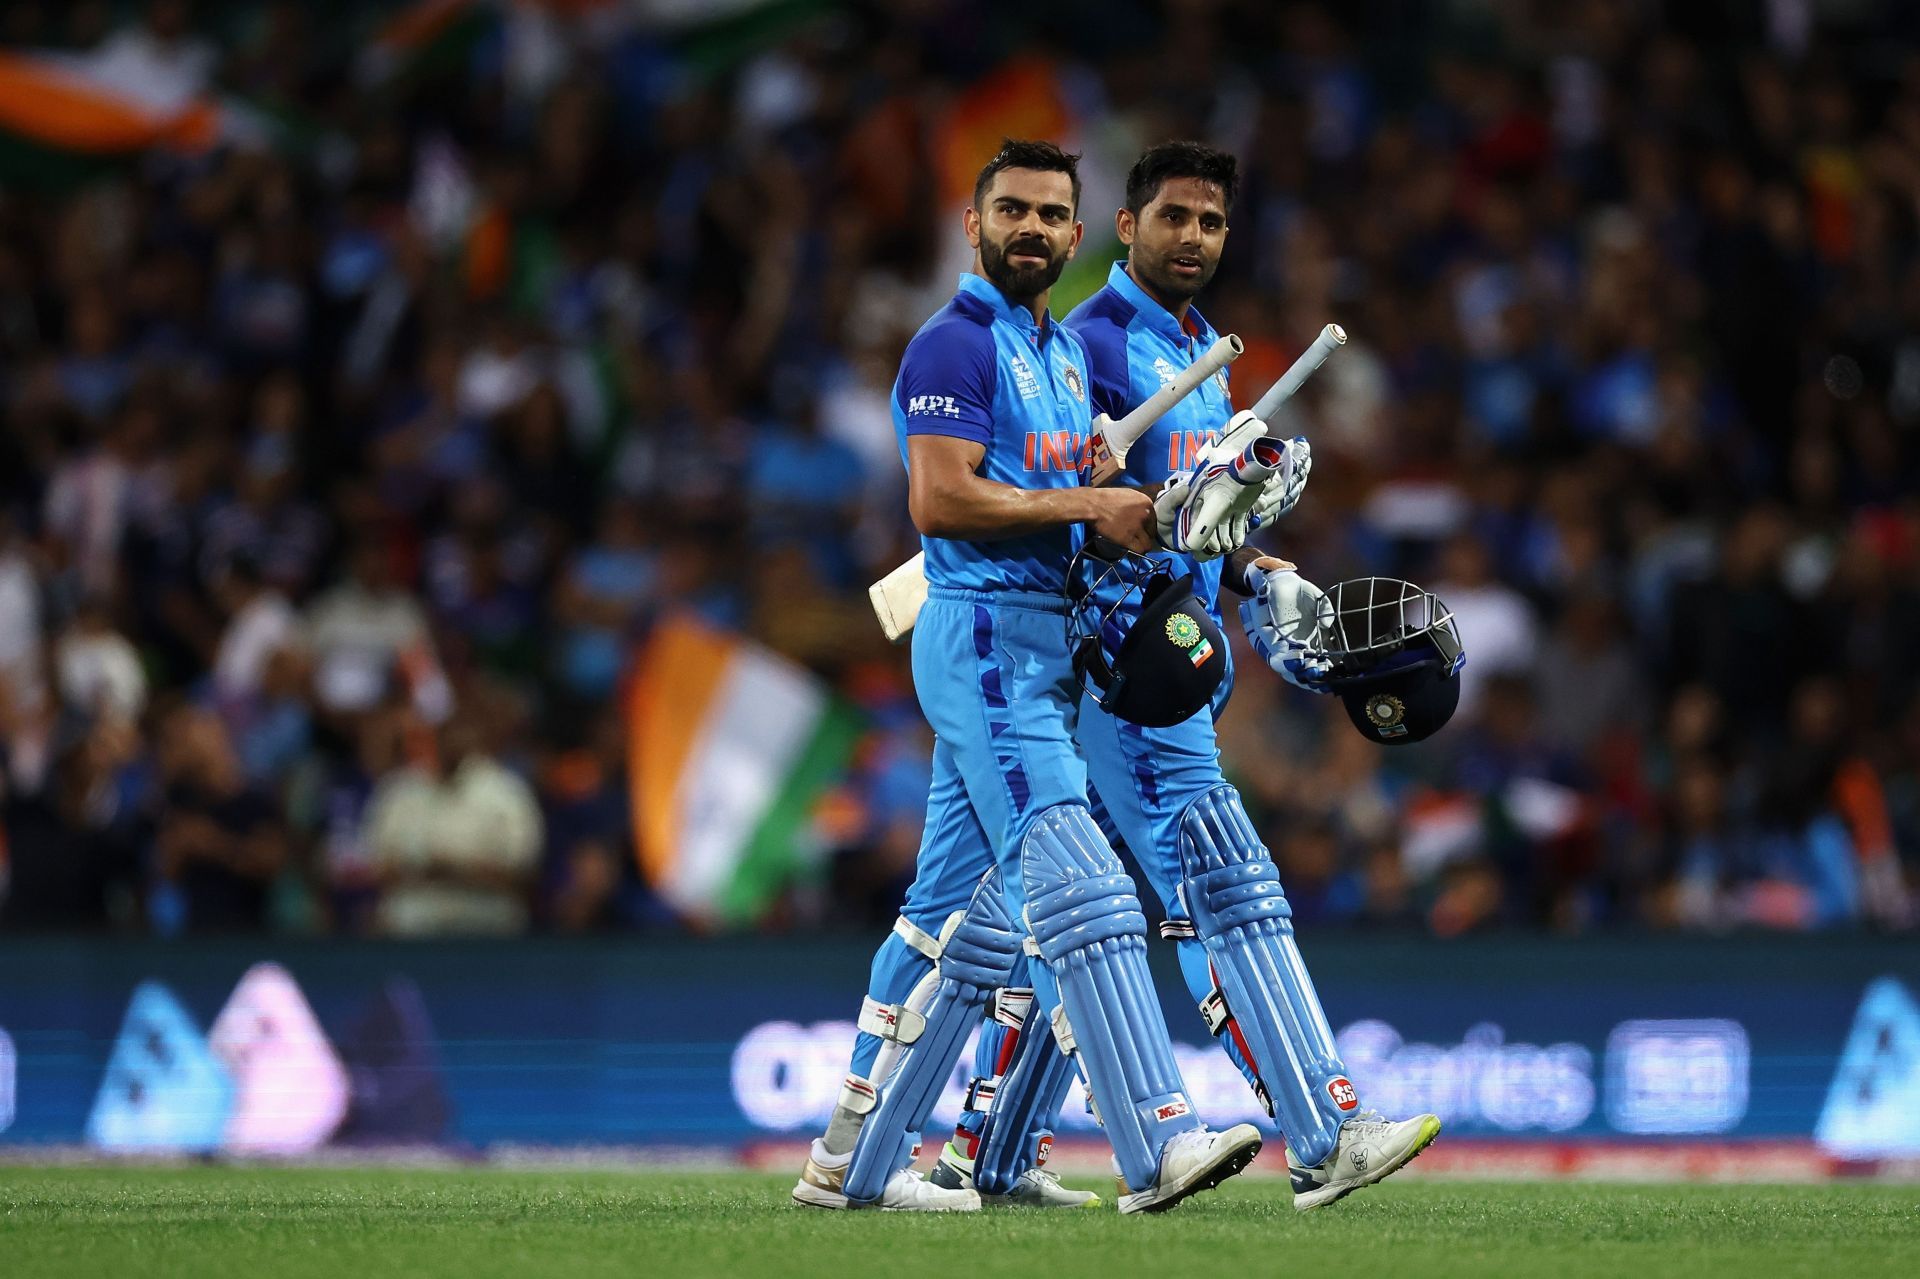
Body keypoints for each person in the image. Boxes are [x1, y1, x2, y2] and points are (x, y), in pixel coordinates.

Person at [938, 142, 1440, 1211]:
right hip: (1127, 671)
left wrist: (1254, 564)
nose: (1192, 238)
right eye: (1173, 217)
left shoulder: (1199, 347)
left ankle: (990, 1146)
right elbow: (1083, 504)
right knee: (1229, 886)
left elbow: (1189, 518)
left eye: (1210, 224)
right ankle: (1327, 1130)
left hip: (1176, 660)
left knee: (1079, 918)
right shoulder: (1094, 345)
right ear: (1124, 226)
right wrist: (1170, 516)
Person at [792, 140, 1262, 1214]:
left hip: (1042, 643)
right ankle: (1160, 1139)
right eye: (1013, 210)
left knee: (936, 915)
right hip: (988, 642)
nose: (1034, 230)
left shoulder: (1050, 348)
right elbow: (940, 503)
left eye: (1054, 214)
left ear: (1077, 231)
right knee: (1085, 886)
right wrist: (1088, 504)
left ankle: (847, 1162)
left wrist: (1137, 502)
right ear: (974, 223)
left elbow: (1059, 501)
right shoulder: (951, 346)